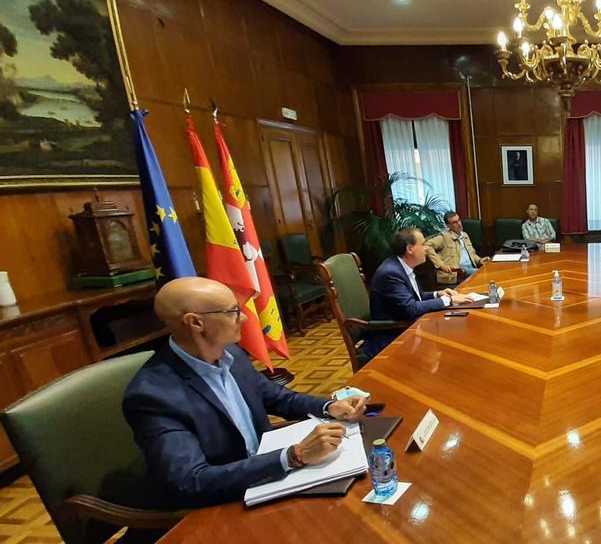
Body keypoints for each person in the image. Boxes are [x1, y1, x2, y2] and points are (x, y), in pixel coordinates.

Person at [123, 277, 368, 508]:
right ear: (195, 322)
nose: (244, 319)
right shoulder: (153, 396)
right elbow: (191, 482)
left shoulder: (232, 354)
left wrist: (329, 407)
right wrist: (295, 455)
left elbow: (276, 397)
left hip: (268, 476)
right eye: (232, 312)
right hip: (223, 503)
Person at [360, 227, 475, 361]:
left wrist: (438, 294)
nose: (427, 248)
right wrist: (449, 300)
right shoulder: (391, 273)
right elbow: (411, 308)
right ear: (410, 249)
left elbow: (415, 297)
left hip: (409, 327)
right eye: (423, 244)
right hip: (394, 337)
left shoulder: (401, 267)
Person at [425, 211, 487, 286]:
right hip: (458, 271)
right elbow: (427, 246)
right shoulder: (444, 237)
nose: (459, 224)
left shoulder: (464, 235)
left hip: (471, 268)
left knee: (490, 271)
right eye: (455, 222)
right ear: (448, 225)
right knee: (484, 274)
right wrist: (441, 265)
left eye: (459, 220)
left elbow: (472, 255)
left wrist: (480, 260)